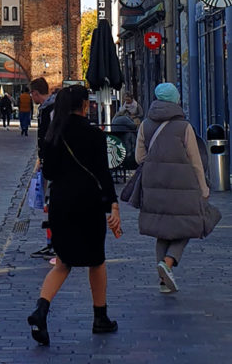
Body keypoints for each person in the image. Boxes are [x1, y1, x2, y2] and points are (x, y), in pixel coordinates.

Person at [27, 85, 120, 347]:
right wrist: (113, 205)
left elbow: (50, 173)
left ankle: (41, 311)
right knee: (96, 259)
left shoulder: (53, 135)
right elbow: (103, 173)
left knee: (63, 262)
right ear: (83, 106)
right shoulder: (94, 135)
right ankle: (100, 317)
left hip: (61, 202)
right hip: (88, 202)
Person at [135, 82, 216, 294]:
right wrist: (203, 187)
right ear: (176, 100)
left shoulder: (145, 125)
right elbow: (195, 160)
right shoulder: (184, 127)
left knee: (162, 230)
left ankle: (163, 281)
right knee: (188, 224)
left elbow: (139, 157)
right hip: (183, 185)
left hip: (153, 185)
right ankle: (168, 263)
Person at [30, 76, 59, 259]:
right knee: (48, 204)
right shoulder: (46, 108)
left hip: (54, 162)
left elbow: (53, 136)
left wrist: (47, 158)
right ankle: (51, 243)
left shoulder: (52, 109)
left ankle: (56, 243)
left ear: (35, 93)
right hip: (47, 161)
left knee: (53, 203)